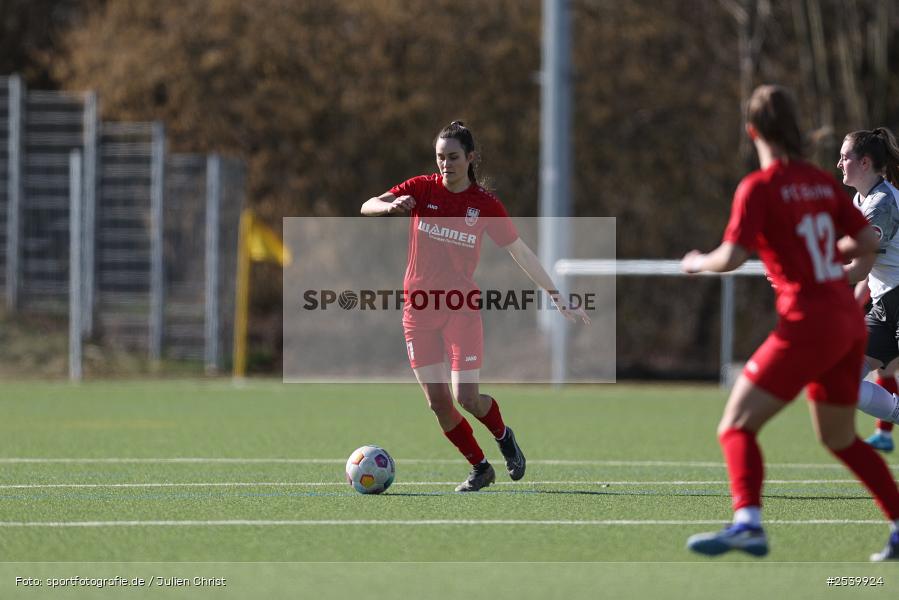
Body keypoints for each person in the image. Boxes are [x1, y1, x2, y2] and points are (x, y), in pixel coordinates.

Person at [681, 85, 899, 561]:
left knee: (735, 426)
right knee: (839, 437)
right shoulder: (821, 184)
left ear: (752, 131)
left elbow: (731, 257)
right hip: (846, 319)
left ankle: (748, 524)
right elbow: (864, 241)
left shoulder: (759, 187)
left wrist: (697, 261)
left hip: (808, 324)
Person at [361, 121, 589, 492]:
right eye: (440, 157)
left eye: (452, 157)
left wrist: (556, 295)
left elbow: (520, 252)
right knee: (438, 403)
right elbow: (367, 204)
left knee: (466, 396)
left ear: (470, 158)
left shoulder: (484, 205)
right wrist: (387, 206)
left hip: (459, 310)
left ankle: (503, 435)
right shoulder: (420, 188)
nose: (445, 164)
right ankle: (480, 467)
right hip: (417, 312)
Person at [837, 127, 899, 451]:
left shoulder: (882, 204)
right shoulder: (861, 199)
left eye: (845, 157)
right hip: (887, 306)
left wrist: (805, 275)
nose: (838, 163)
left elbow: (859, 266)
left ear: (864, 163)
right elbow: (867, 271)